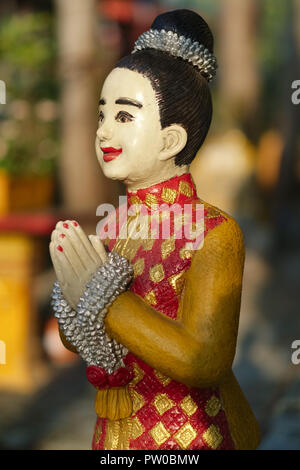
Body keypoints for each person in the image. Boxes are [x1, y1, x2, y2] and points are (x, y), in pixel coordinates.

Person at [50, 9, 261, 450]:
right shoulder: (114, 224)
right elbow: (81, 341)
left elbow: (205, 359)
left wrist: (104, 298)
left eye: (124, 117)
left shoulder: (215, 233)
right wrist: (71, 295)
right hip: (115, 433)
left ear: (171, 140)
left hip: (189, 437)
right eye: (102, 113)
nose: (104, 130)